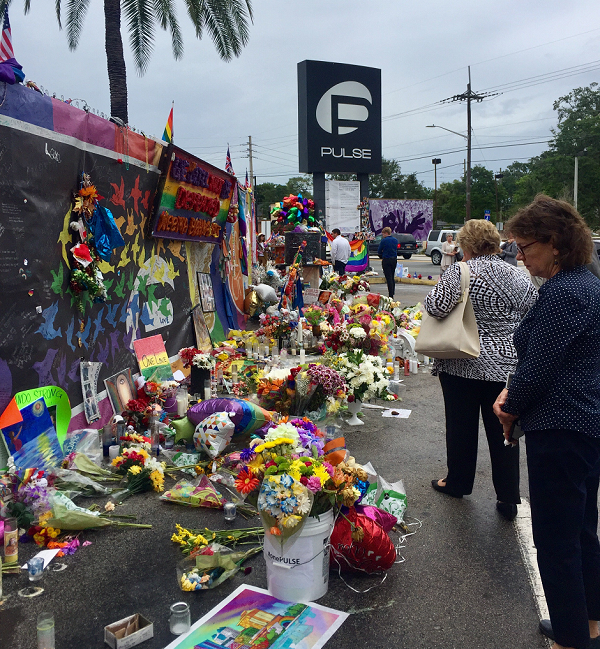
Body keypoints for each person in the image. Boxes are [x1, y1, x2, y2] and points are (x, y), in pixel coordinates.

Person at [493, 195, 600, 649]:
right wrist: (513, 390)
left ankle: (572, 640)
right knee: (580, 531)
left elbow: (538, 370)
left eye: (524, 246)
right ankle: (589, 622)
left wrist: (509, 406)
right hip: (584, 422)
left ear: (554, 243)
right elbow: (548, 362)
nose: (520, 255)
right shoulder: (587, 283)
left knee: (556, 541)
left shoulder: (565, 291)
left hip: (561, 427)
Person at [426, 218, 537, 520]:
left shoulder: (460, 272)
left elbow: (435, 307)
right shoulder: (518, 274)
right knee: (505, 430)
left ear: (466, 244)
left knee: (460, 426)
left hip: (462, 361)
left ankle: (457, 482)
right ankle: (508, 496)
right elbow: (531, 310)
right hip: (506, 364)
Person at [377, 227, 398, 299]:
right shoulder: (395, 240)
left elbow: (379, 251)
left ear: (386, 233)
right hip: (394, 260)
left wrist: (381, 256)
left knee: (388, 277)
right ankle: (392, 292)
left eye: (383, 234)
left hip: (386, 259)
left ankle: (390, 294)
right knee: (392, 276)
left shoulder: (384, 241)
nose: (383, 236)